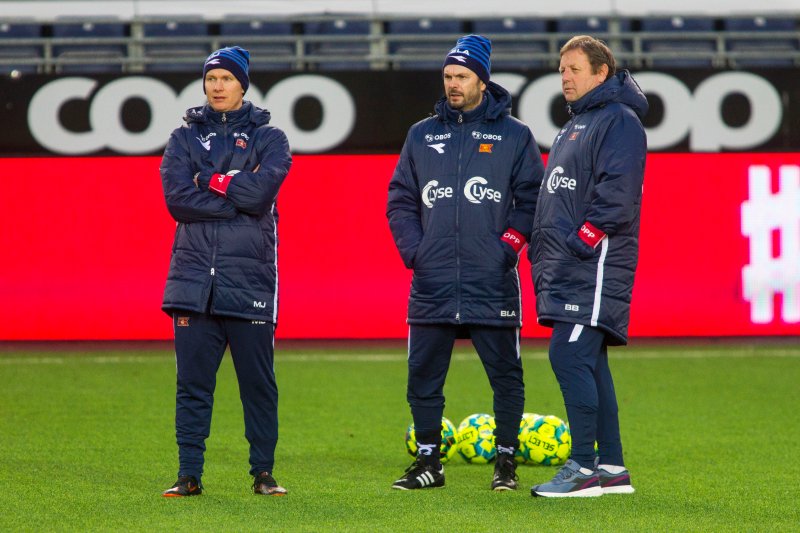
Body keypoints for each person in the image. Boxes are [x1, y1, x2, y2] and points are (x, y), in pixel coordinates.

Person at [386, 34, 545, 491]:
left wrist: (508, 246)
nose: (453, 84)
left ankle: (507, 464)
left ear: (482, 80)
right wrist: (415, 250)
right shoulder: (422, 133)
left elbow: (532, 199)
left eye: (462, 76)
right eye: (448, 76)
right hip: (433, 279)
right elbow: (399, 198)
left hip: (490, 277)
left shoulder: (514, 135)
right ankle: (429, 463)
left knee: (506, 377)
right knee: (423, 377)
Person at [159, 46, 292, 497]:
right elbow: (177, 201)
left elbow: (260, 197)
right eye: (211, 78)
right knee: (192, 384)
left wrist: (210, 181)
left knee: (258, 384)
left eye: (226, 79)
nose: (217, 86)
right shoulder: (182, 139)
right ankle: (189, 474)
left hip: (250, 282)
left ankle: (263, 473)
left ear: (243, 85)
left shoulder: (270, 138)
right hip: (193, 284)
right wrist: (238, 190)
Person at [528, 35, 648, 497]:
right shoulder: (578, 123)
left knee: (569, 354)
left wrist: (585, 239)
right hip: (568, 264)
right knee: (591, 363)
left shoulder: (618, 120)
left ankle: (582, 468)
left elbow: (618, 191)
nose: (565, 77)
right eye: (562, 69)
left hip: (593, 263)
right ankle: (612, 468)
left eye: (574, 69)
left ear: (601, 72)